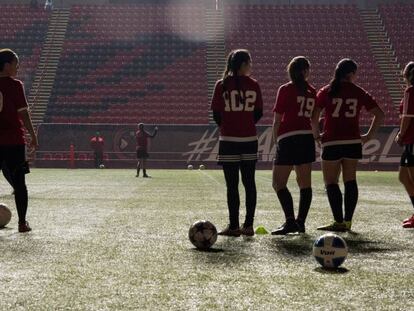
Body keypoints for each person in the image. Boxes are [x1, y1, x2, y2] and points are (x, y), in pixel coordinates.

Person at [312, 58, 384, 232]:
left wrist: (316, 136)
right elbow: (379, 114)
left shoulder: (326, 91)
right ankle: (348, 221)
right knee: (350, 180)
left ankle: (338, 222)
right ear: (351, 74)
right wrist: (368, 136)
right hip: (352, 141)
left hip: (332, 141)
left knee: (331, 182)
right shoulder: (358, 91)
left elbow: (314, 117)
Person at [211, 49, 263, 237]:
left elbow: (216, 113)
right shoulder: (254, 85)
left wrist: (229, 126)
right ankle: (248, 226)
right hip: (249, 140)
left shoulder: (221, 84)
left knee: (231, 185)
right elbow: (258, 112)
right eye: (249, 63)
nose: (251, 66)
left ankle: (233, 226)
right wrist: (245, 124)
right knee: (249, 183)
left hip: (228, 141)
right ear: (243, 64)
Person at [271, 56, 316, 235]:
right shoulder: (313, 91)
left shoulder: (286, 89)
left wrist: (276, 142)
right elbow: (313, 119)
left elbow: (277, 120)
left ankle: (290, 221)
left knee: (278, 183)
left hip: (288, 138)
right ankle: (301, 223)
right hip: (306, 138)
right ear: (305, 71)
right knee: (305, 184)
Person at [0, 49, 38, 233]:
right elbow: (23, 113)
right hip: (13, 141)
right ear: (6, 66)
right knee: (19, 182)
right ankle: (22, 223)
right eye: (16, 64)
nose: (18, 67)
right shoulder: (15, 86)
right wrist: (32, 134)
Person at [395, 61, 414, 228]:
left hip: (412, 140)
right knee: (403, 177)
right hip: (410, 141)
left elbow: (407, 116)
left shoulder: (410, 91)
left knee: (412, 179)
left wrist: (400, 134)